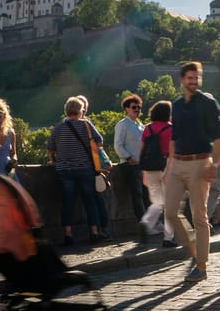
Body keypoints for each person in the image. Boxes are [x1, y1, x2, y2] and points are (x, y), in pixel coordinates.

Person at [164, 62, 220, 282]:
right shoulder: (177, 104)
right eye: (190, 77)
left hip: (200, 163)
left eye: (197, 77)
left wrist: (214, 164)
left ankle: (201, 266)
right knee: (170, 211)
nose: (194, 81)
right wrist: (168, 167)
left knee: (199, 217)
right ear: (181, 80)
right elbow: (173, 138)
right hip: (178, 163)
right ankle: (192, 246)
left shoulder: (208, 103)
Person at [47, 97, 109, 245]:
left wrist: (53, 160)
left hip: (64, 170)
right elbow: (99, 141)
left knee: (67, 202)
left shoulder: (58, 128)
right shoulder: (86, 125)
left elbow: (50, 149)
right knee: (89, 201)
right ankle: (94, 232)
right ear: (80, 110)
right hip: (84, 168)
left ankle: (68, 234)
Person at [137, 101, 176, 246]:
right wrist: (168, 172)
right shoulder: (171, 129)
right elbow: (173, 153)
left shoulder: (147, 128)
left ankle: (146, 223)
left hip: (149, 168)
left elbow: (141, 151)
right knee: (170, 205)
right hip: (166, 165)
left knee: (157, 202)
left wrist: (144, 172)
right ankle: (168, 238)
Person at [114, 94, 147, 222]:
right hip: (130, 165)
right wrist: (128, 158)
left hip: (141, 165)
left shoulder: (140, 125)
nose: (137, 110)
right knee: (137, 194)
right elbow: (118, 145)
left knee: (146, 195)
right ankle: (143, 223)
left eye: (139, 107)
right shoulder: (123, 124)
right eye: (134, 107)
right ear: (126, 108)